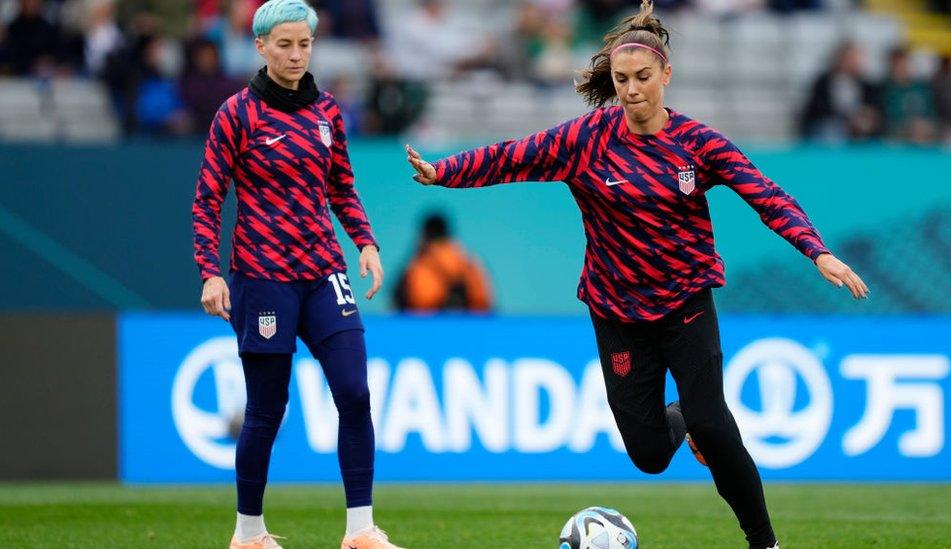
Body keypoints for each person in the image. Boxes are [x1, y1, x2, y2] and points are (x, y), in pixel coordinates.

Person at [405, 2, 868, 548]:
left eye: (642, 78)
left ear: (666, 75)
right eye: (621, 79)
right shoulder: (586, 140)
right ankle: (684, 418)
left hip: (685, 302)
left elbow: (765, 195)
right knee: (648, 455)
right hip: (617, 311)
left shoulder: (699, 145)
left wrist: (816, 251)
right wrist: (445, 172)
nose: (630, 90)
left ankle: (764, 541)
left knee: (714, 424)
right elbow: (513, 156)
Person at [191, 1, 403, 548]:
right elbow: (208, 200)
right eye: (283, 45)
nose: (294, 54)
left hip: (323, 271)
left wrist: (366, 243)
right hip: (263, 278)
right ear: (260, 47)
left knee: (355, 393)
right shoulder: (237, 114)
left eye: (303, 44)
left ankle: (360, 532)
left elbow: (342, 186)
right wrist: (210, 273)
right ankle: (249, 535)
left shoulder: (328, 111)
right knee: (268, 409)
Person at [393, 213, 493, 312]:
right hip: (469, 323)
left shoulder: (418, 262)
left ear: (424, 234)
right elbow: (485, 301)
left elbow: (398, 298)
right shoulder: (467, 260)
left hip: (426, 322)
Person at [799, 41, 882, 142]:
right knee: (830, 130)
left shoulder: (866, 84)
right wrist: (845, 120)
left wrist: (863, 118)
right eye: (849, 59)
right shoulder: (824, 82)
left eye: (855, 59)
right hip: (833, 124)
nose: (852, 62)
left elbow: (874, 108)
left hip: (859, 125)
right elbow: (816, 108)